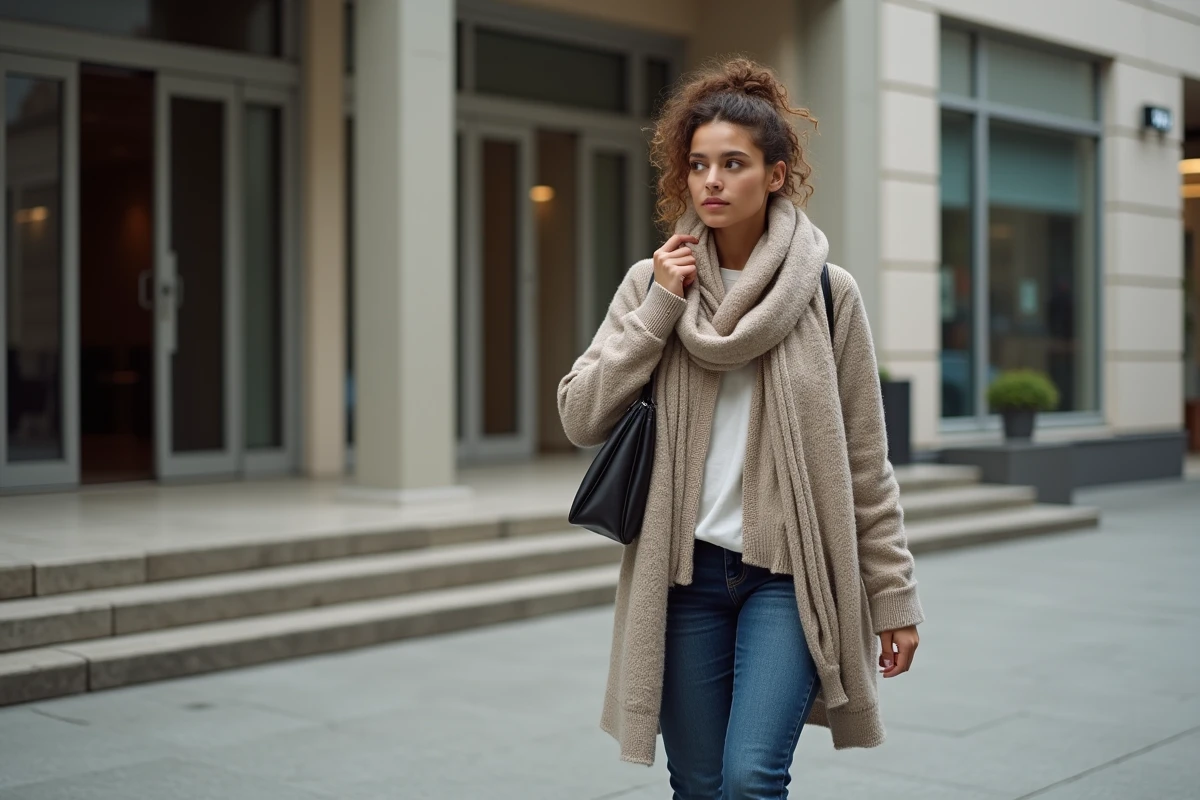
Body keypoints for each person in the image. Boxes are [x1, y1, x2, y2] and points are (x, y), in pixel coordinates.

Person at [557, 57, 924, 799]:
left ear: (777, 174)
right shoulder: (653, 280)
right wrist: (661, 306)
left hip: (788, 576)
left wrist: (893, 596)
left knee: (752, 777)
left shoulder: (827, 293)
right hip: (684, 574)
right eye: (698, 165)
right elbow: (580, 414)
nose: (712, 182)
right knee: (696, 783)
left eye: (733, 163)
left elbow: (864, 458)